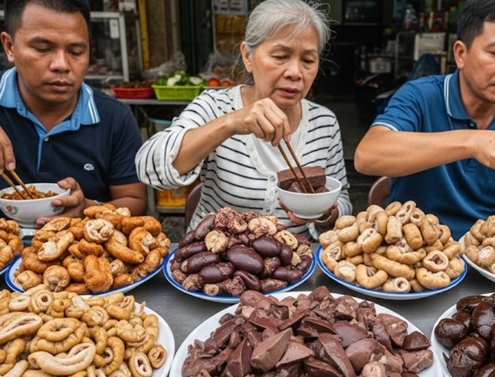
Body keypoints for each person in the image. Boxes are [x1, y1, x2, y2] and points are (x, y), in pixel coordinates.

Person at [0, 0, 146, 225]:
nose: (61, 64)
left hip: (82, 257)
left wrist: (89, 209)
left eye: (76, 52)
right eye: (43, 49)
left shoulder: (115, 117)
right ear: (9, 47)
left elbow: (134, 201)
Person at [135, 0, 351, 239]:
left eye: (308, 60)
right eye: (280, 56)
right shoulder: (215, 106)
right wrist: (230, 123)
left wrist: (324, 214)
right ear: (248, 56)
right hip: (213, 263)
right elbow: (150, 169)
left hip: (294, 265)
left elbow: (342, 203)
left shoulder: (325, 122)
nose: (295, 72)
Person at [353, 0, 495, 239]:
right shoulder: (420, 96)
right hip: (415, 249)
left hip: (490, 254)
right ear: (461, 54)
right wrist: (474, 143)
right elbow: (368, 156)